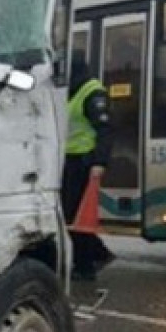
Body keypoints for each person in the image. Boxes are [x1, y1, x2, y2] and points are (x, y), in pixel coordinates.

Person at [63, 53, 115, 281]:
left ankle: (87, 264)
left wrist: (99, 162)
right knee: (70, 215)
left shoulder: (92, 92)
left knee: (76, 216)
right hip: (69, 160)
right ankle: (95, 256)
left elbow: (105, 129)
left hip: (85, 161)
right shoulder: (69, 92)